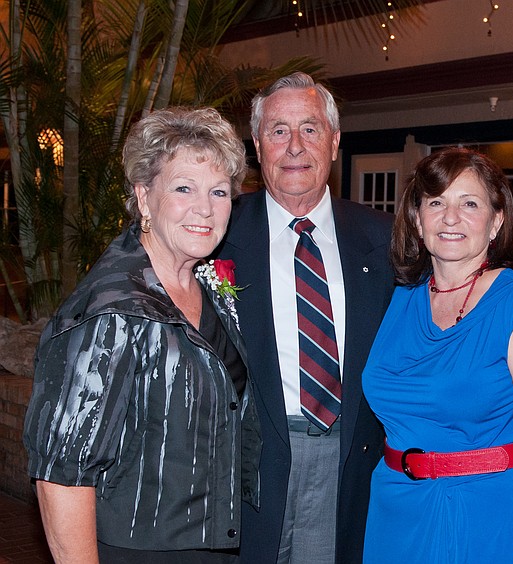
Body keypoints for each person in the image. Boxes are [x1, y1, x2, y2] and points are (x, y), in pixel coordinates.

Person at [23, 107, 260, 563]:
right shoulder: (110, 310)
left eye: (219, 192)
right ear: (144, 197)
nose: (205, 209)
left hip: (212, 547)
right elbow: (62, 474)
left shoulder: (206, 287)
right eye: (183, 188)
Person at [215, 72, 395, 564]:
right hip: (247, 473)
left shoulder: (385, 240)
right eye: (278, 130)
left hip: (348, 466)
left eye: (310, 129)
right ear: (257, 145)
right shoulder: (215, 234)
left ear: (335, 142)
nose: (295, 146)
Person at [361, 148, 513, 564]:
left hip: (486, 521)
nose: (450, 217)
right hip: (395, 515)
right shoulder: (400, 299)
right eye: (436, 202)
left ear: (496, 222)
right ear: (418, 219)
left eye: (469, 203)